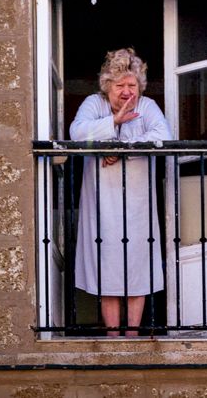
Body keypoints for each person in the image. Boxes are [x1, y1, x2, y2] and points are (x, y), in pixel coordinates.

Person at [68, 47, 171, 334]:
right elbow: (77, 133)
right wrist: (112, 124)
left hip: (138, 204)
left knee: (137, 265)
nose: (127, 92)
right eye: (120, 85)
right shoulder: (94, 103)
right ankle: (114, 335)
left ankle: (133, 333)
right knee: (107, 268)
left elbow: (163, 136)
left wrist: (121, 149)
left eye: (132, 85)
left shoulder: (147, 107)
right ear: (107, 86)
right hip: (102, 204)